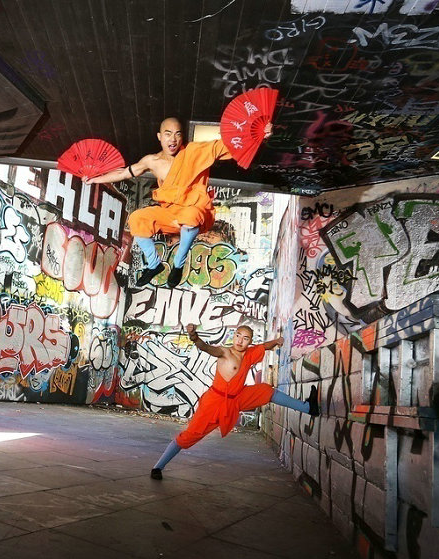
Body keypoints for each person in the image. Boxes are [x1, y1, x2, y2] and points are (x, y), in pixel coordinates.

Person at [86, 118, 269, 289]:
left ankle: (178, 264)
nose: (173, 139)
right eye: (168, 133)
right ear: (159, 136)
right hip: (170, 214)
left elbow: (230, 145)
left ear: (183, 136)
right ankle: (153, 265)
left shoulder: (195, 151)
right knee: (137, 218)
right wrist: (95, 180)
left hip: (194, 213)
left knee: (190, 215)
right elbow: (123, 173)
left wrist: (260, 134)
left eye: (178, 134)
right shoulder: (152, 161)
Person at [150, 323, 318, 480]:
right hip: (215, 400)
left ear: (250, 341)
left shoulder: (250, 354)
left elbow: (264, 346)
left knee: (266, 391)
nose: (240, 340)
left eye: (245, 338)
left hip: (238, 396)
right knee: (189, 435)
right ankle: (158, 467)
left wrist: (277, 341)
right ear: (233, 336)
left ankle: (308, 407)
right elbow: (205, 347)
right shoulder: (225, 352)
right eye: (238, 335)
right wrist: (193, 335)